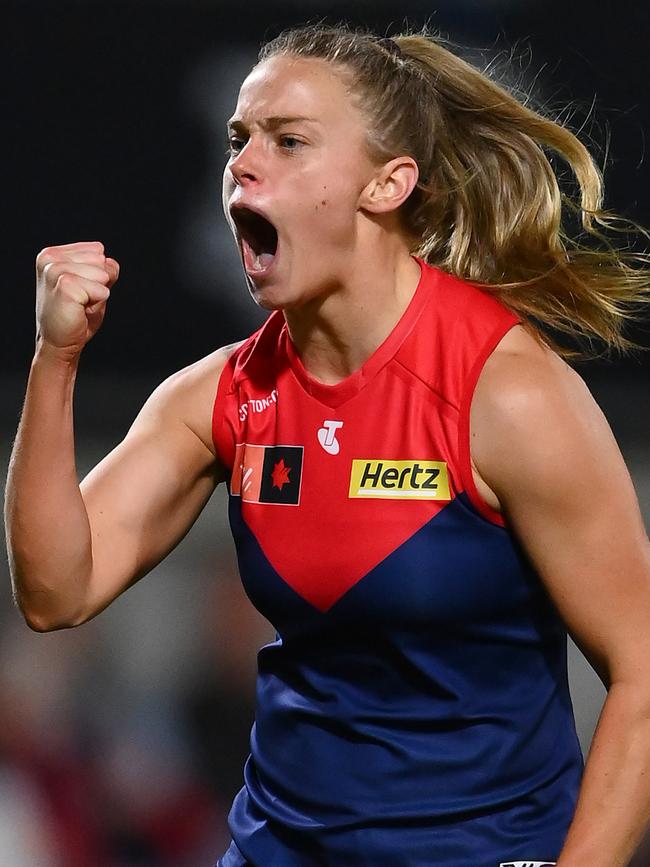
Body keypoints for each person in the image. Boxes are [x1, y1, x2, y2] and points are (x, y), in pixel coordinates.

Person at [5, 22, 650, 867]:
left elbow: (641, 676)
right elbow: (56, 589)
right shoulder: (221, 395)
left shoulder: (506, 392)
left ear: (387, 185)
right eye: (238, 139)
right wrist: (57, 358)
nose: (240, 163)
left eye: (288, 140)